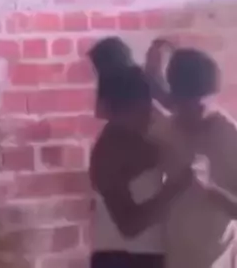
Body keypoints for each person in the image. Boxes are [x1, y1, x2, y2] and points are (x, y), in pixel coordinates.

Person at [89, 65, 191, 268]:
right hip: (123, 259)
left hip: (146, 255)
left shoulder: (140, 137)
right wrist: (174, 190)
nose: (149, 115)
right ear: (123, 109)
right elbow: (129, 225)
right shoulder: (109, 152)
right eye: (144, 109)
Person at [161, 48, 237, 268]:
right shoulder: (166, 131)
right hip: (174, 258)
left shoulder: (229, 136)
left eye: (201, 106)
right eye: (185, 105)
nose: (192, 113)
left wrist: (210, 188)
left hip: (217, 260)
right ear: (174, 99)